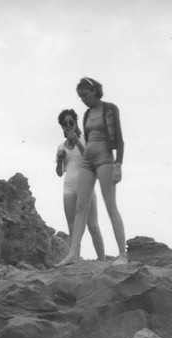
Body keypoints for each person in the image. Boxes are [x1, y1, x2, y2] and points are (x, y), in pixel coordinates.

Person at [57, 77, 127, 266]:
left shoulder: (109, 108)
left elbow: (119, 140)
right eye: (80, 97)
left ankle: (122, 255)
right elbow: (87, 145)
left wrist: (118, 165)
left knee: (110, 205)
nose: (83, 100)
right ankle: (72, 254)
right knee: (80, 208)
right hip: (87, 162)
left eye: (85, 95)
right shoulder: (87, 115)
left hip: (105, 159)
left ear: (95, 91)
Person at [56, 108, 105, 261]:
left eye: (71, 122)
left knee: (93, 226)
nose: (68, 125)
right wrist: (59, 159)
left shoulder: (85, 140)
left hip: (86, 187)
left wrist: (76, 140)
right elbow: (59, 172)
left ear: (77, 122)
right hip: (68, 188)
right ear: (62, 127)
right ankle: (75, 261)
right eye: (65, 124)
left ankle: (102, 261)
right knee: (72, 228)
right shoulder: (61, 146)